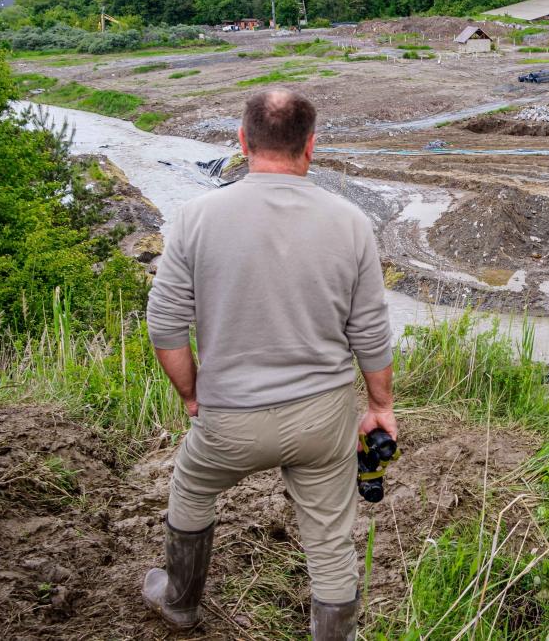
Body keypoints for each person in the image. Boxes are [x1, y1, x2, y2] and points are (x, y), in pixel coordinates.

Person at [144, 89, 395, 640]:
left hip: (229, 414)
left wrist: (191, 394)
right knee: (329, 536)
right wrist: (380, 405)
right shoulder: (350, 222)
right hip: (322, 418)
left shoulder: (195, 217)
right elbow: (370, 330)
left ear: (242, 142)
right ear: (310, 146)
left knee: (191, 486)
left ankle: (180, 603)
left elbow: (165, 326)